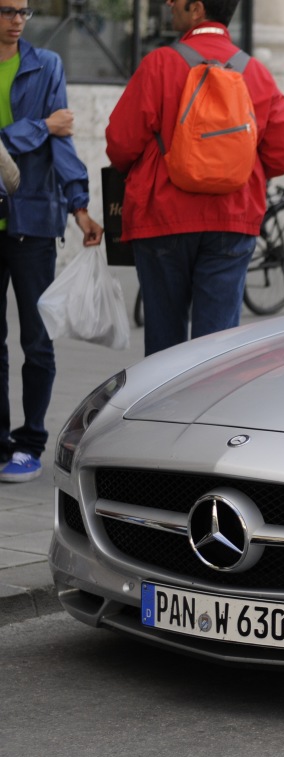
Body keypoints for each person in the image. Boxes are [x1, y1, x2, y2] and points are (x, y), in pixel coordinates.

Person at [105, 0, 284, 357]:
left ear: (197, 9)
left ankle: (164, 412)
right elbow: (281, 157)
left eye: (177, 0)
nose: (169, 4)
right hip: (233, 218)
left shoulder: (159, 64)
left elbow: (120, 144)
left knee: (164, 345)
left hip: (163, 216)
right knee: (217, 349)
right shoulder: (256, 73)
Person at [1, 0, 105, 484]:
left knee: (37, 340)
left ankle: (30, 441)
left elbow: (63, 143)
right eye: (6, 10)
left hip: (34, 218)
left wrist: (80, 207)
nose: (17, 19)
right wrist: (40, 126)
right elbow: (51, 130)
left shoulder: (47, 66)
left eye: (24, 9)